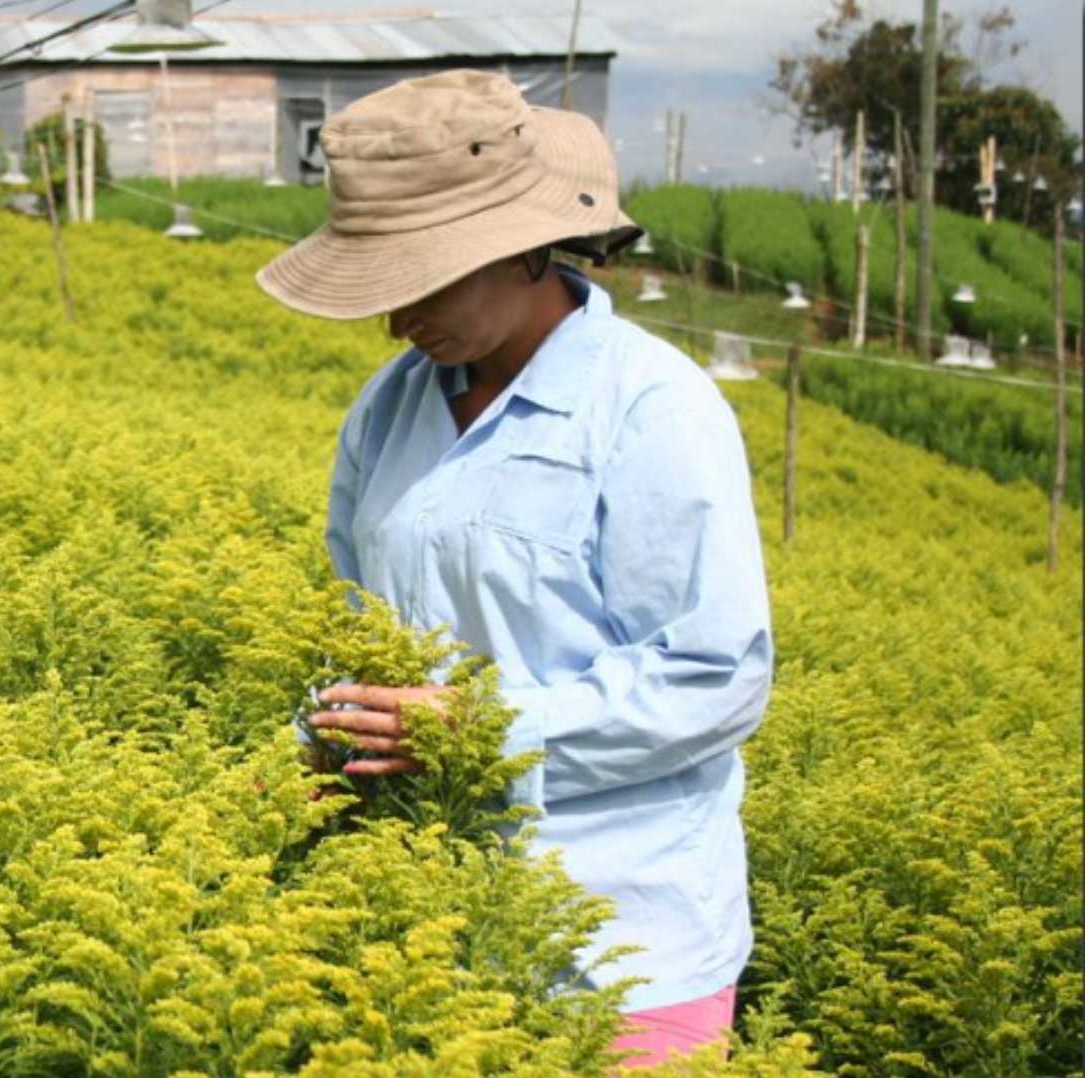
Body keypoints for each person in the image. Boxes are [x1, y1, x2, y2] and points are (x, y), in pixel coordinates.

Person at [257, 70, 773, 1069]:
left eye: (422, 279)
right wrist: (319, 740)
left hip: (624, 939)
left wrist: (485, 729)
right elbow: (350, 619)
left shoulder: (654, 410)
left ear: (525, 248)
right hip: (429, 926)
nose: (397, 317)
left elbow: (714, 678)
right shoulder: (389, 406)